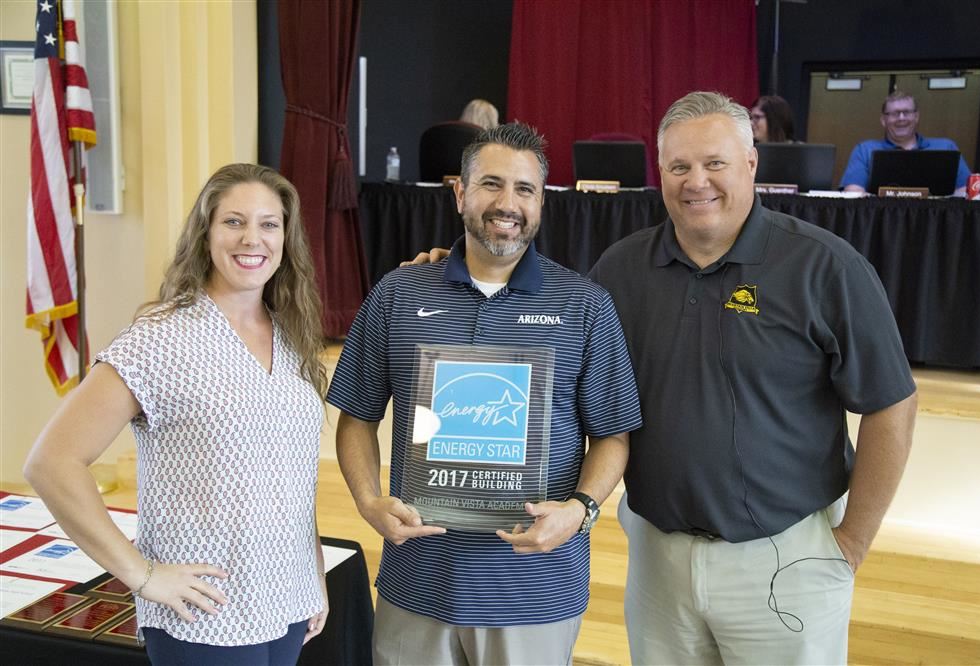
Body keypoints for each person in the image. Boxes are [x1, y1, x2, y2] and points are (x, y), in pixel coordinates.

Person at [587, 91, 918, 665]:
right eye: (679, 166)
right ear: (660, 172)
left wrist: (851, 544)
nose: (697, 182)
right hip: (657, 560)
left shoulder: (825, 266)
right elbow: (547, 343)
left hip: (788, 560)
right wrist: (458, 270)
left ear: (750, 163)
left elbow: (892, 404)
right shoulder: (620, 270)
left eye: (715, 163)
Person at [327, 123, 642, 665]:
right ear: (460, 193)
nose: (507, 203)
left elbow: (613, 436)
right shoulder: (398, 293)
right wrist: (367, 500)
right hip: (418, 582)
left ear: (542, 202)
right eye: (491, 184)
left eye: (524, 189)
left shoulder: (585, 306)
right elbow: (355, 418)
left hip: (536, 591)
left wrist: (580, 511)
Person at [24, 163, 330, 664]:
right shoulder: (161, 339)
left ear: (286, 238)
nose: (252, 237)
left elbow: (288, 470)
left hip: (289, 595)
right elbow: (52, 462)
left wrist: (312, 567)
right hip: (204, 611)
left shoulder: (290, 336)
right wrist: (142, 575)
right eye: (233, 221)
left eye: (269, 224)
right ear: (205, 232)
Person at [840, 90, 971, 194]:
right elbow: (853, 193)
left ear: (916, 116)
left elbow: (966, 191)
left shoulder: (946, 147)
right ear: (883, 120)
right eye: (895, 113)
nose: (901, 118)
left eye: (906, 112)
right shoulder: (864, 150)